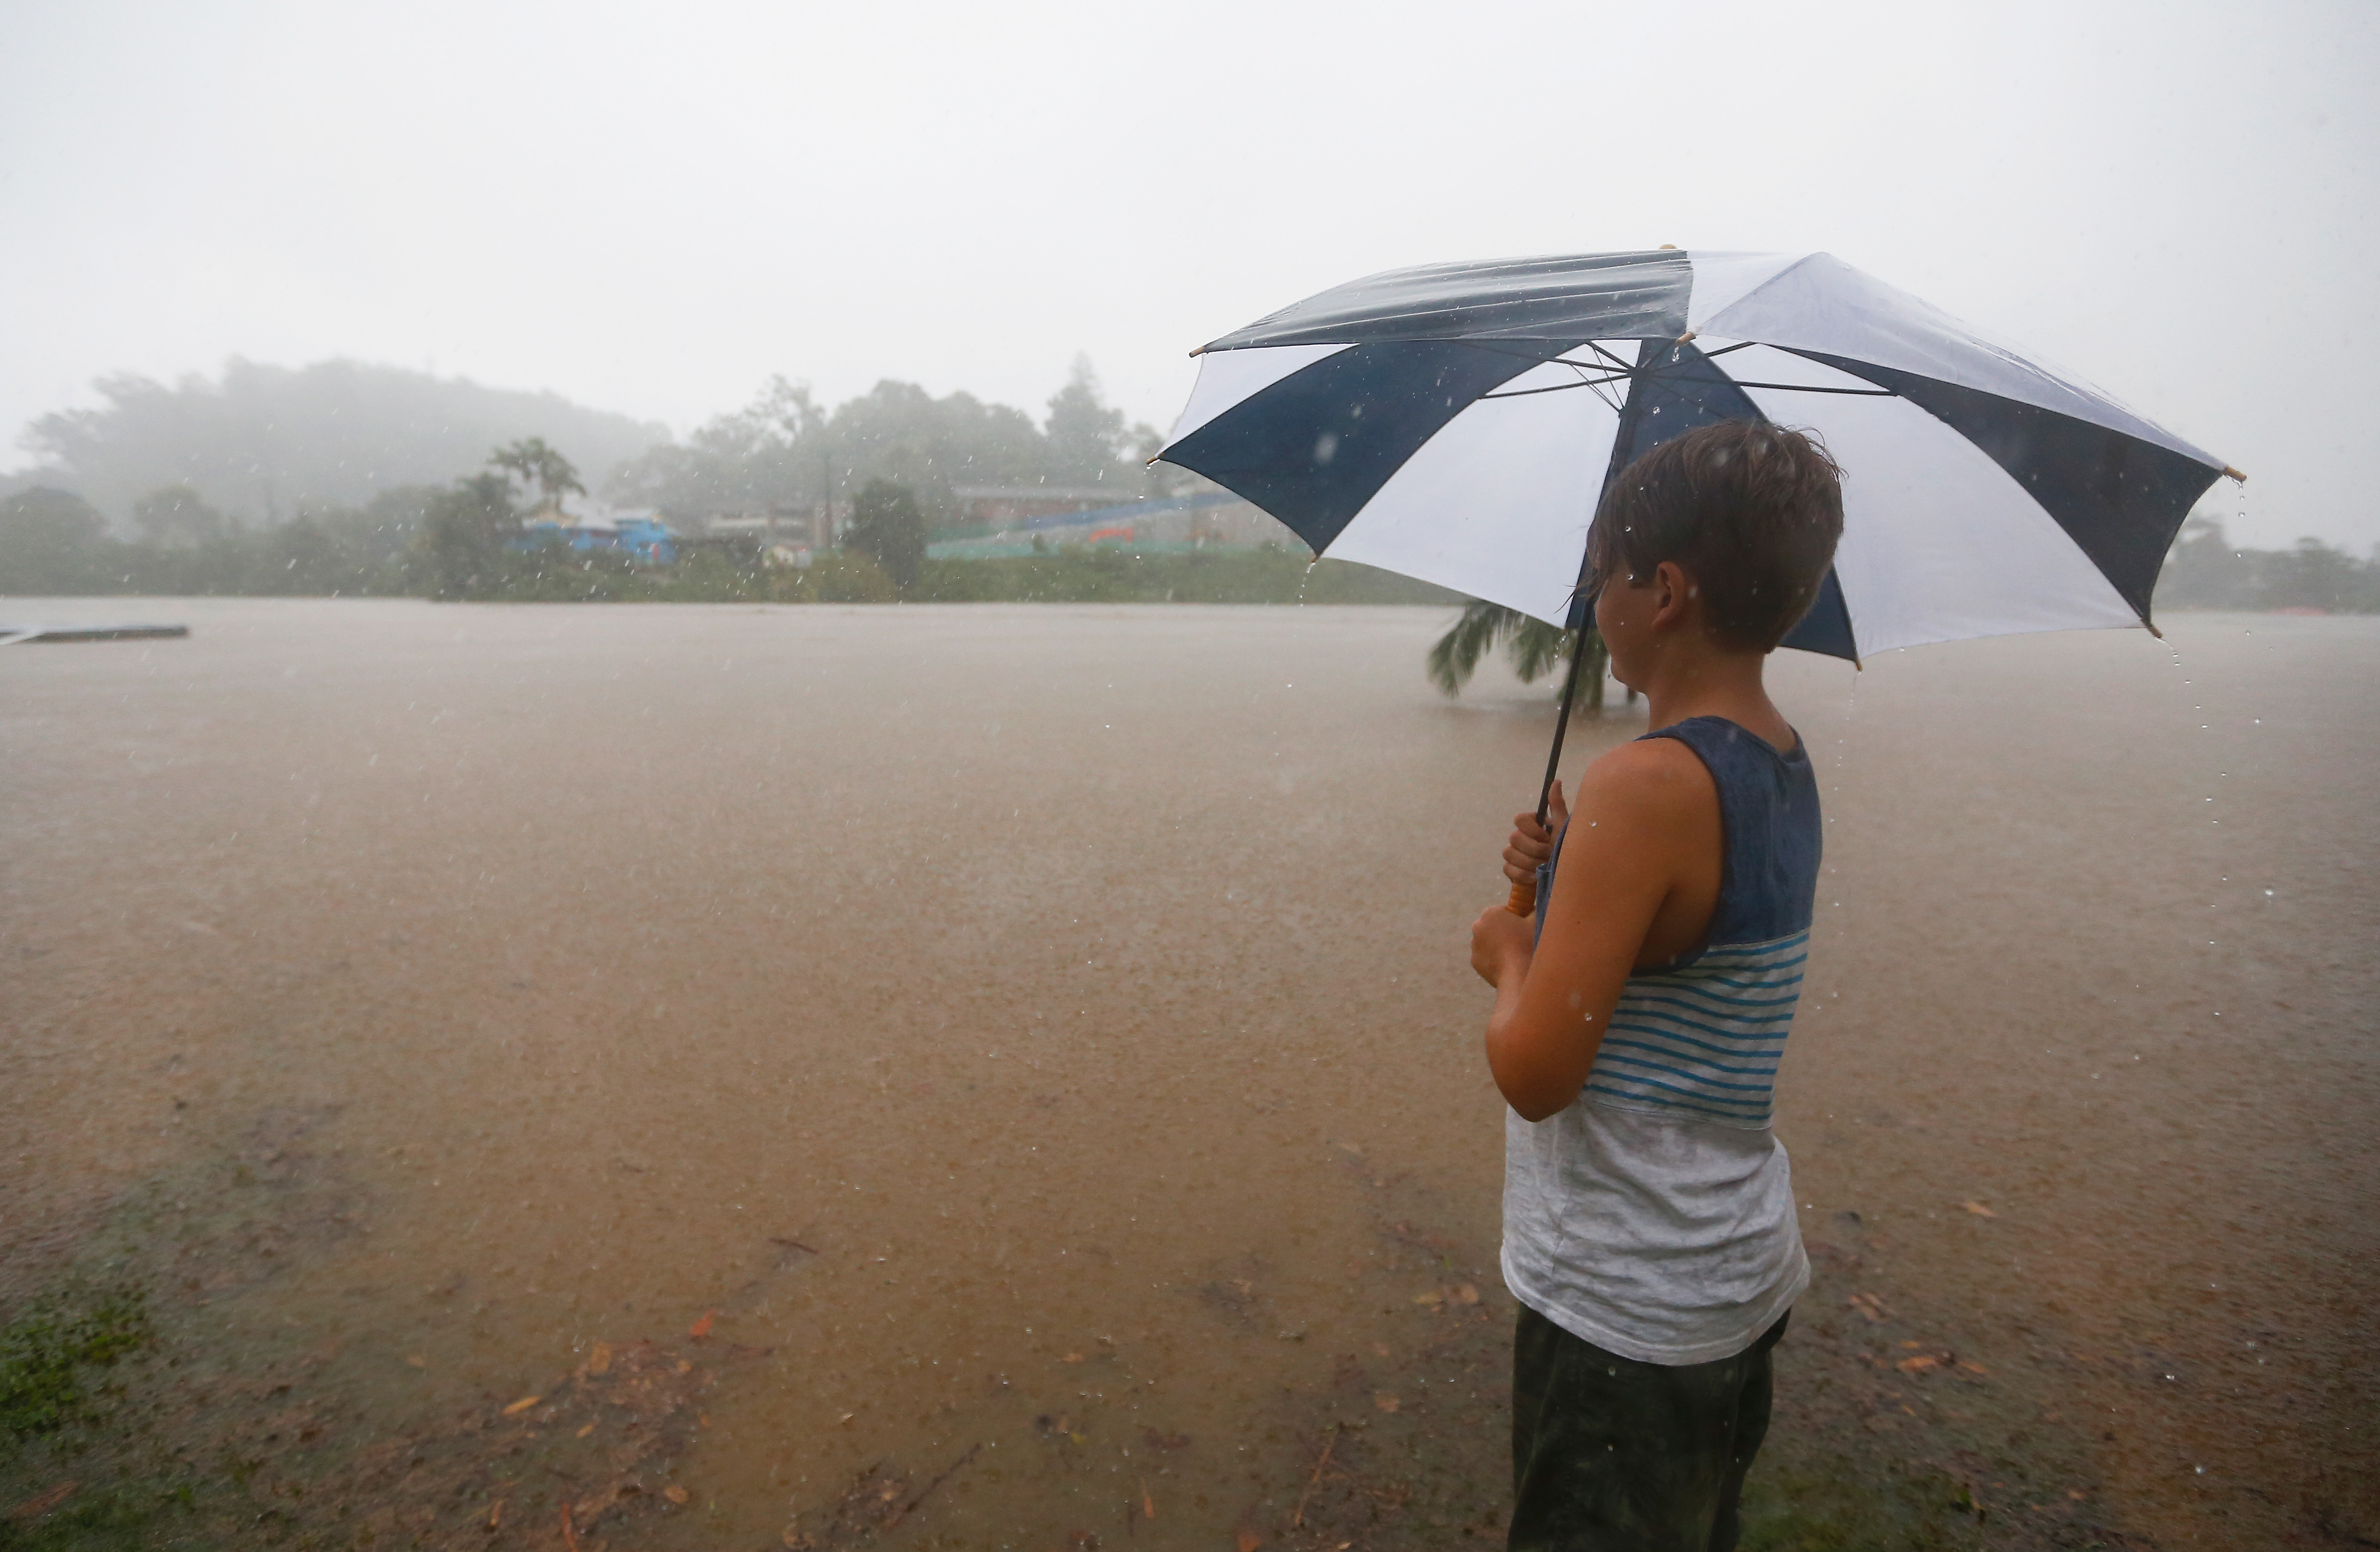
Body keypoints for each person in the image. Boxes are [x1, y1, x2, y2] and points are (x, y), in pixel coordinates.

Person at [1468, 418, 1845, 1551]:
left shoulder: (1644, 785)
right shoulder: (1779, 758)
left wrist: (1511, 955)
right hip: (1731, 1274)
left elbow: (1536, 1072)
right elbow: (1695, 937)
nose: (1592, 600)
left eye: (1603, 572)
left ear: (1665, 589)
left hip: (1624, 1304)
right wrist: (1579, 869)